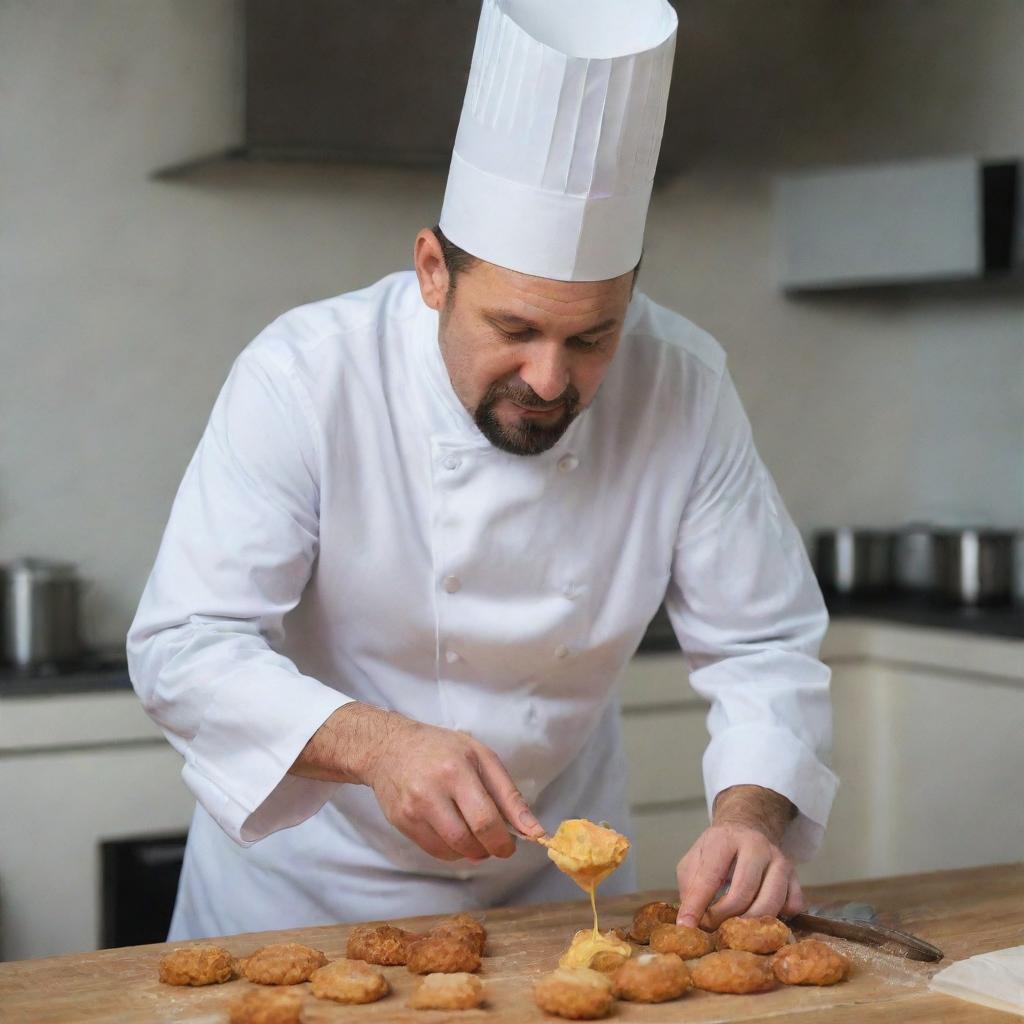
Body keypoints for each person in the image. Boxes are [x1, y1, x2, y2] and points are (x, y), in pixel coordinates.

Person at [128, 0, 837, 941]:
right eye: (514, 330)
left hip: (555, 900)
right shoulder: (305, 375)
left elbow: (763, 646)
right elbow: (185, 644)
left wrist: (750, 819)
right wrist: (379, 745)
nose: (551, 380)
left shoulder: (684, 384)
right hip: (298, 897)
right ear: (433, 273)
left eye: (593, 337)